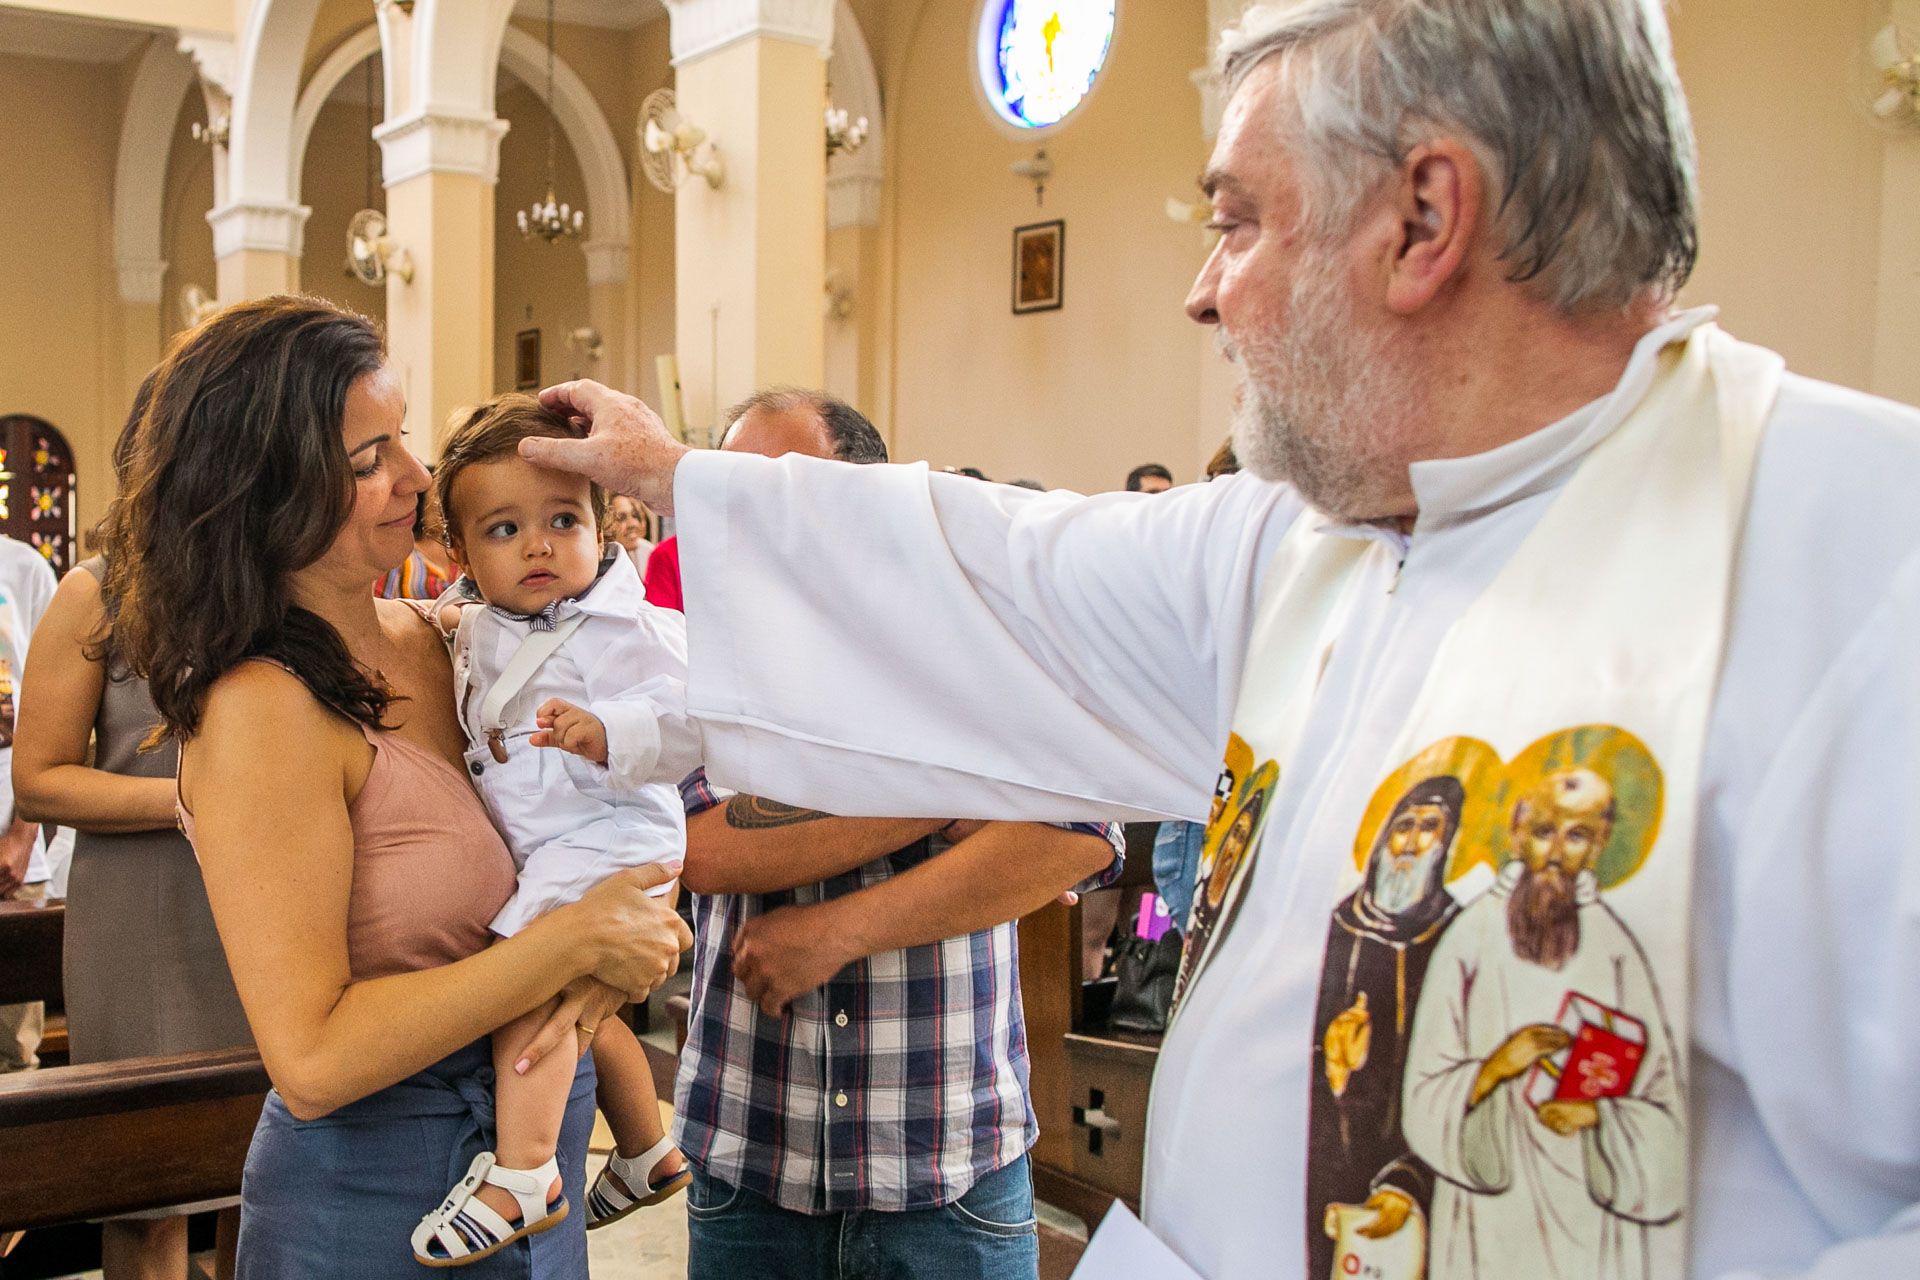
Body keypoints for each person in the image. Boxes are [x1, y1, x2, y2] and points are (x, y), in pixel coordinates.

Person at [519, 2, 1920, 1276]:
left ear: (1425, 219)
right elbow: (1002, 574)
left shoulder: (1859, 567)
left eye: (1239, 220)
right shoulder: (1302, 543)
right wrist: (683, 479)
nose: (1205, 290)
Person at [102, 295, 688, 1279]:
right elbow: (315, 1057)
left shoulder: (448, 634)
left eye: (404, 439)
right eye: (368, 454)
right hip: (379, 1192)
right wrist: (570, 942)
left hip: (525, 1161)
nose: (417, 476)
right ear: (268, 479)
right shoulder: (262, 709)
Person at [660, 386, 1124, 1280]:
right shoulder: (693, 651)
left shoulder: (972, 641)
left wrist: (836, 931)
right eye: (735, 498)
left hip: (947, 1168)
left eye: (786, 494)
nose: (760, 528)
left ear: (870, 500)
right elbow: (704, 846)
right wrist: (964, 776)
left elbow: (1077, 831)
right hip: (756, 1154)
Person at [411, 394, 696, 1263]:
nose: (538, 545)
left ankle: (527, 1170)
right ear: (458, 554)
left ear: (605, 527)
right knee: (584, 1008)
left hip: (609, 834)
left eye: (561, 520)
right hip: (556, 843)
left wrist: (616, 733)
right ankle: (646, 1148)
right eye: (504, 530)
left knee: (522, 987)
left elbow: (693, 718)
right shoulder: (485, 624)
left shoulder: (631, 627)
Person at [12, 377, 252, 1280]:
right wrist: (192, 801)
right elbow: (38, 781)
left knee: (259, 1170)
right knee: (146, 1186)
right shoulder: (96, 593)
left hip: (257, 896)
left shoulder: (275, 589)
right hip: (140, 910)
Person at [0, 530, 66, 1074]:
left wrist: (22, 837)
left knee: (12, 1052)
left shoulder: (23, 569)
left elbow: (48, 723)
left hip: (10, 859)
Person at [375, 473, 453, 601]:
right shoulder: (399, 556)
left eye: (442, 503)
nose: (435, 506)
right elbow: (379, 605)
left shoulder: (466, 556)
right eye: (430, 501)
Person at [603, 494, 654, 564]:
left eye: (635, 515)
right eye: (621, 518)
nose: (632, 524)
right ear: (605, 526)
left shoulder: (649, 552)